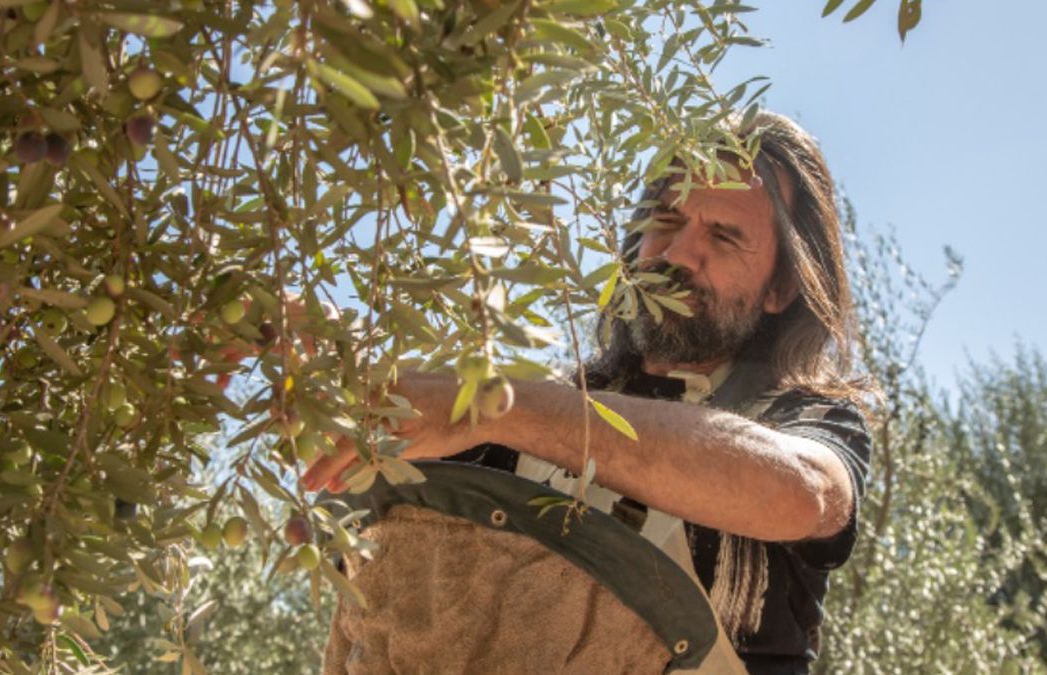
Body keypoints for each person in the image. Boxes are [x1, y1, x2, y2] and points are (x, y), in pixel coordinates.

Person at [302, 110, 872, 674]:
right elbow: (365, 448)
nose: (675, 256)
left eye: (724, 237)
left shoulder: (807, 417)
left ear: (780, 287)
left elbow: (801, 494)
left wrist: (502, 407)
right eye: (666, 221)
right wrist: (299, 350)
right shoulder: (521, 417)